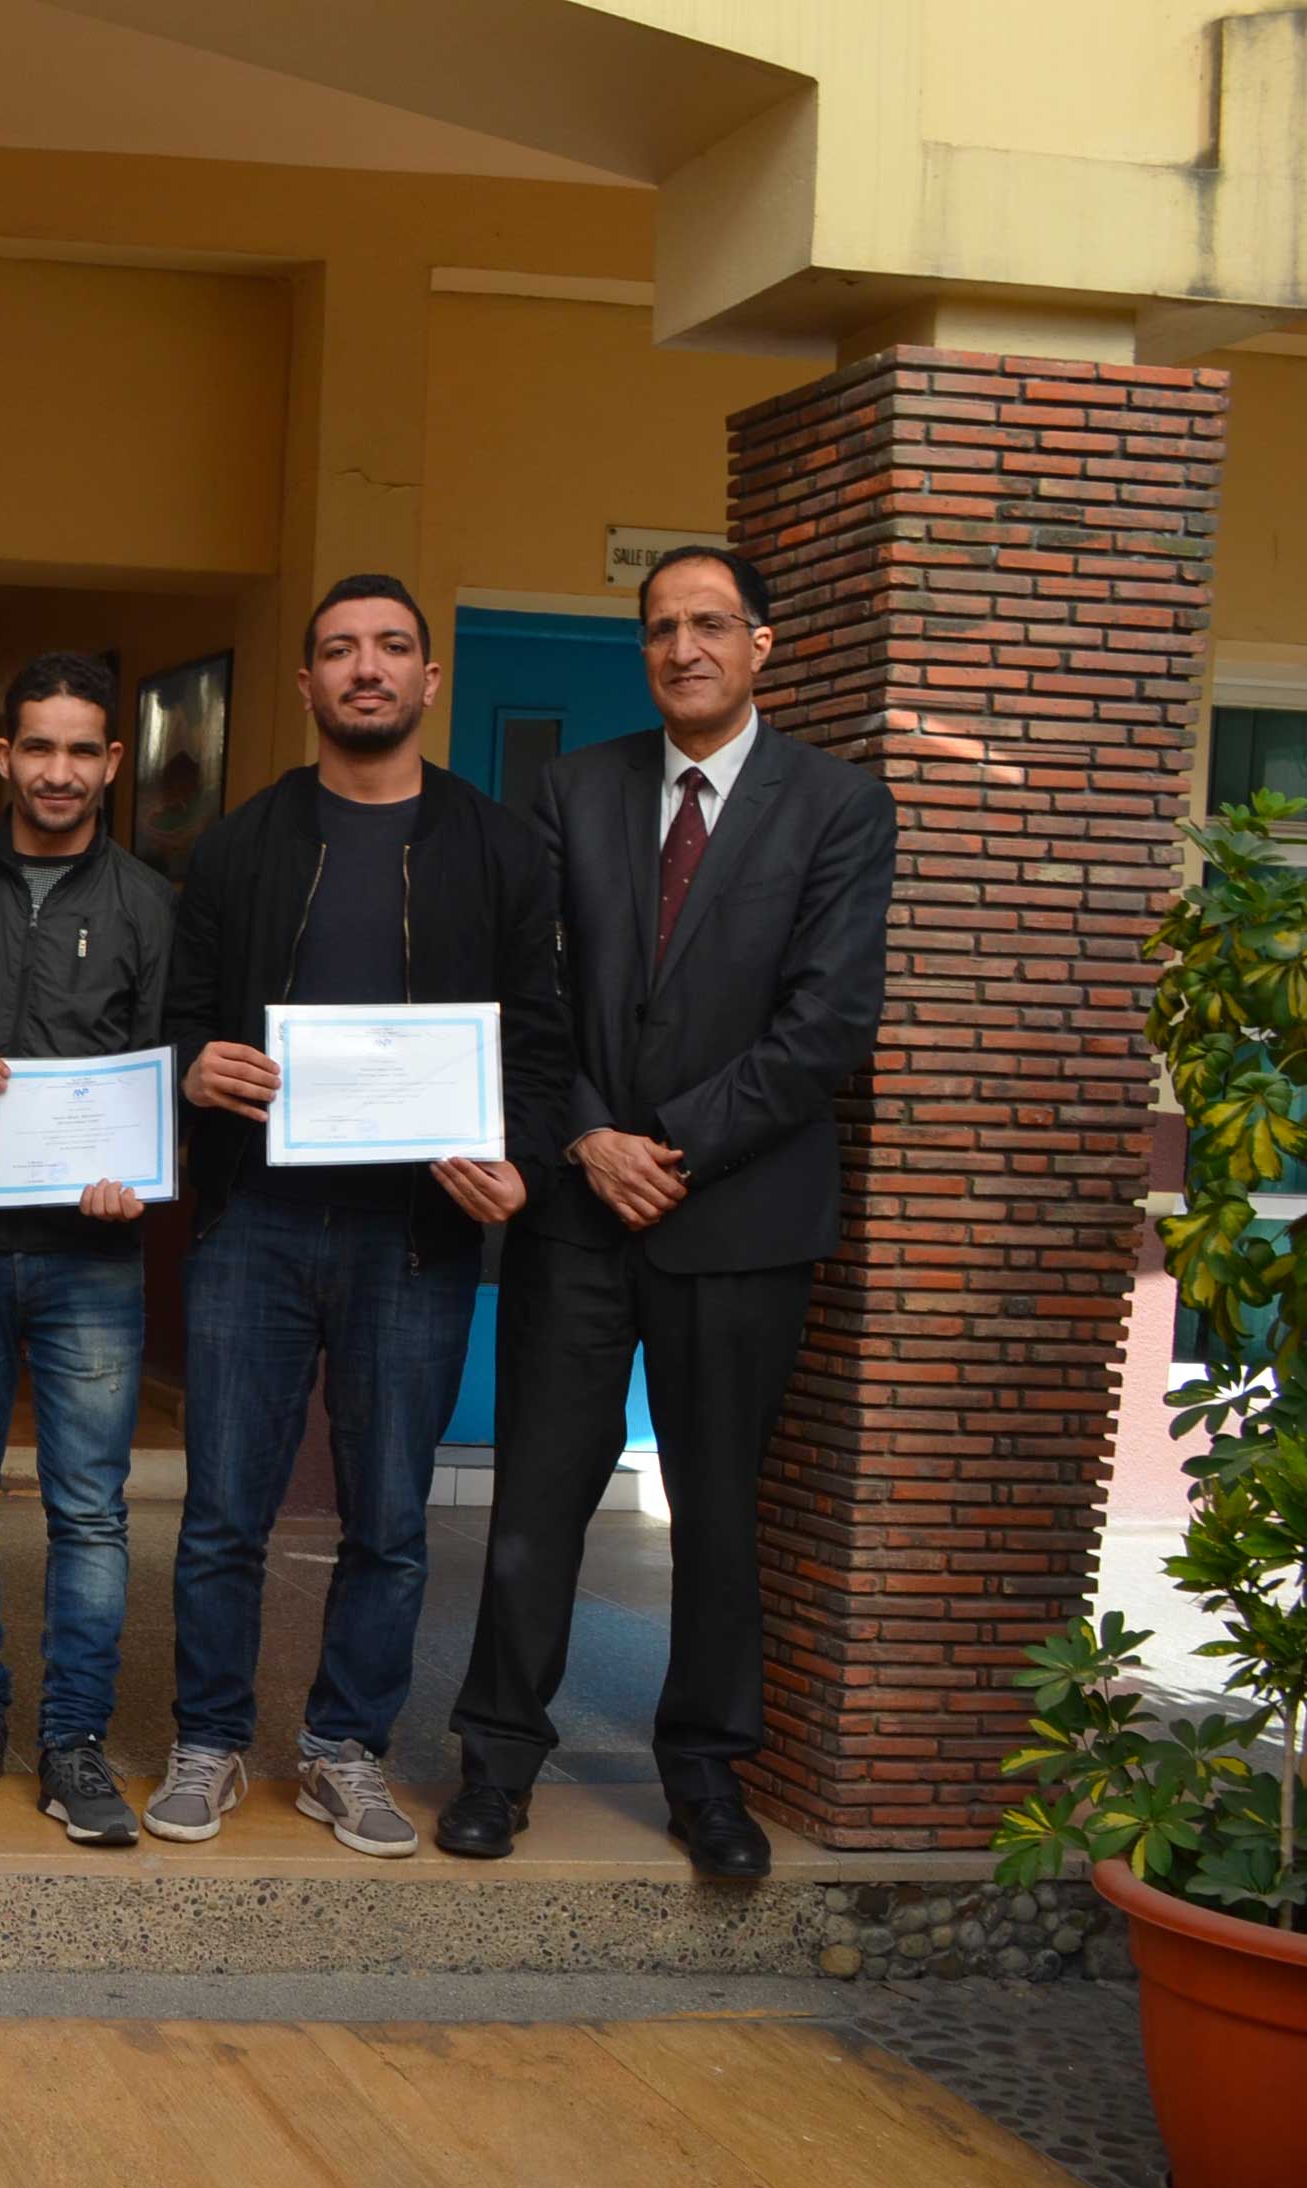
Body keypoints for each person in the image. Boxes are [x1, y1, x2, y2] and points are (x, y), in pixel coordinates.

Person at [444, 546, 894, 1880]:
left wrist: (671, 1150)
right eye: (661, 629)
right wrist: (588, 1135)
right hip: (579, 1218)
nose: (683, 647)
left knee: (716, 1511)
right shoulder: (574, 792)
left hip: (740, 1222)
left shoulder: (838, 807)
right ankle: (495, 1762)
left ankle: (705, 1776)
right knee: (534, 1502)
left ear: (765, 644)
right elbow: (534, 993)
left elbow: (828, 1030)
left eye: (710, 625)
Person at [151, 574, 569, 1857]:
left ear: (429, 681)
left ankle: (345, 1749)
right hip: (256, 1225)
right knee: (226, 1508)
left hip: (418, 1237)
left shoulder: (501, 850)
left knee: (390, 1518)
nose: (367, 669)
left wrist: (525, 1164)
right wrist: (190, 1067)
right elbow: (182, 1009)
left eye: (392, 649)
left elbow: (543, 1049)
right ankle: (212, 1740)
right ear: (308, 683)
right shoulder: (241, 844)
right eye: (340, 651)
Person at [0, 653, 176, 1842]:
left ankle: (73, 1743)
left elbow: (171, 1070)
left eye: (82, 751)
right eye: (37, 748)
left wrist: (145, 1182)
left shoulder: (153, 907)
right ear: (3, 755)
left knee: (93, 1512)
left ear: (112, 765)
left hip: (93, 1258)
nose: (57, 772)